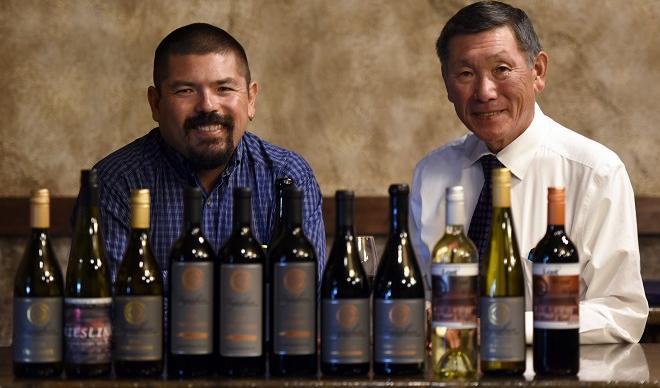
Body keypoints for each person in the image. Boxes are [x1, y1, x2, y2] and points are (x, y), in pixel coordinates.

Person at [410, 1, 648, 343]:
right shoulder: (431, 174)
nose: (485, 92)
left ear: (538, 71)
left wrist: (498, 328)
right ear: (447, 84)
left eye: (502, 69)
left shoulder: (595, 173)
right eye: (465, 74)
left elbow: (621, 312)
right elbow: (421, 298)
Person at [82, 23, 326, 287]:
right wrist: (245, 297)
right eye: (185, 90)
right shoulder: (114, 183)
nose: (208, 106)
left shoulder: (289, 175)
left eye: (224, 89)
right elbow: (116, 310)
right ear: (156, 103)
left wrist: (173, 293)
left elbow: (304, 301)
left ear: (251, 99)